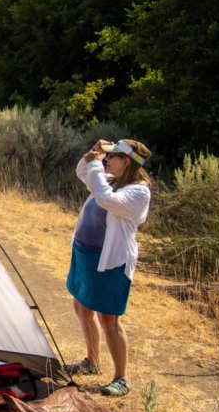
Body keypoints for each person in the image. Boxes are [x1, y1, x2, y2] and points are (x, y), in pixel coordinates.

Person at [63, 138, 153, 397]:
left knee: (109, 318)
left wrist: (95, 165)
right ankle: (92, 361)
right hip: (86, 254)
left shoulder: (138, 192)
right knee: (81, 306)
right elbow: (83, 172)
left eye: (112, 157)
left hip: (110, 261)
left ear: (126, 162)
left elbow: (105, 199)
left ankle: (121, 378)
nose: (107, 159)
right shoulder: (113, 179)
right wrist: (93, 154)